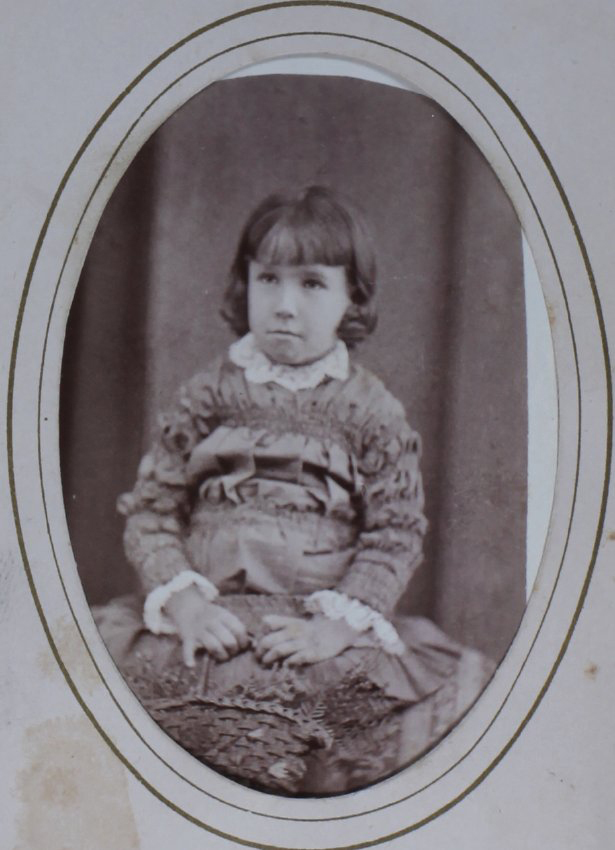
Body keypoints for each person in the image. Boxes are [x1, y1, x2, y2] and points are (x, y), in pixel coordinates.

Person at [94, 186, 494, 795]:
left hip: (310, 632)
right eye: (268, 280)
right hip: (208, 625)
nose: (284, 306)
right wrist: (187, 606)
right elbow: (152, 511)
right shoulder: (207, 394)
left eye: (311, 284)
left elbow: (395, 533)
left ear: (351, 297)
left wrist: (336, 628)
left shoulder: (371, 411)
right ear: (244, 285)